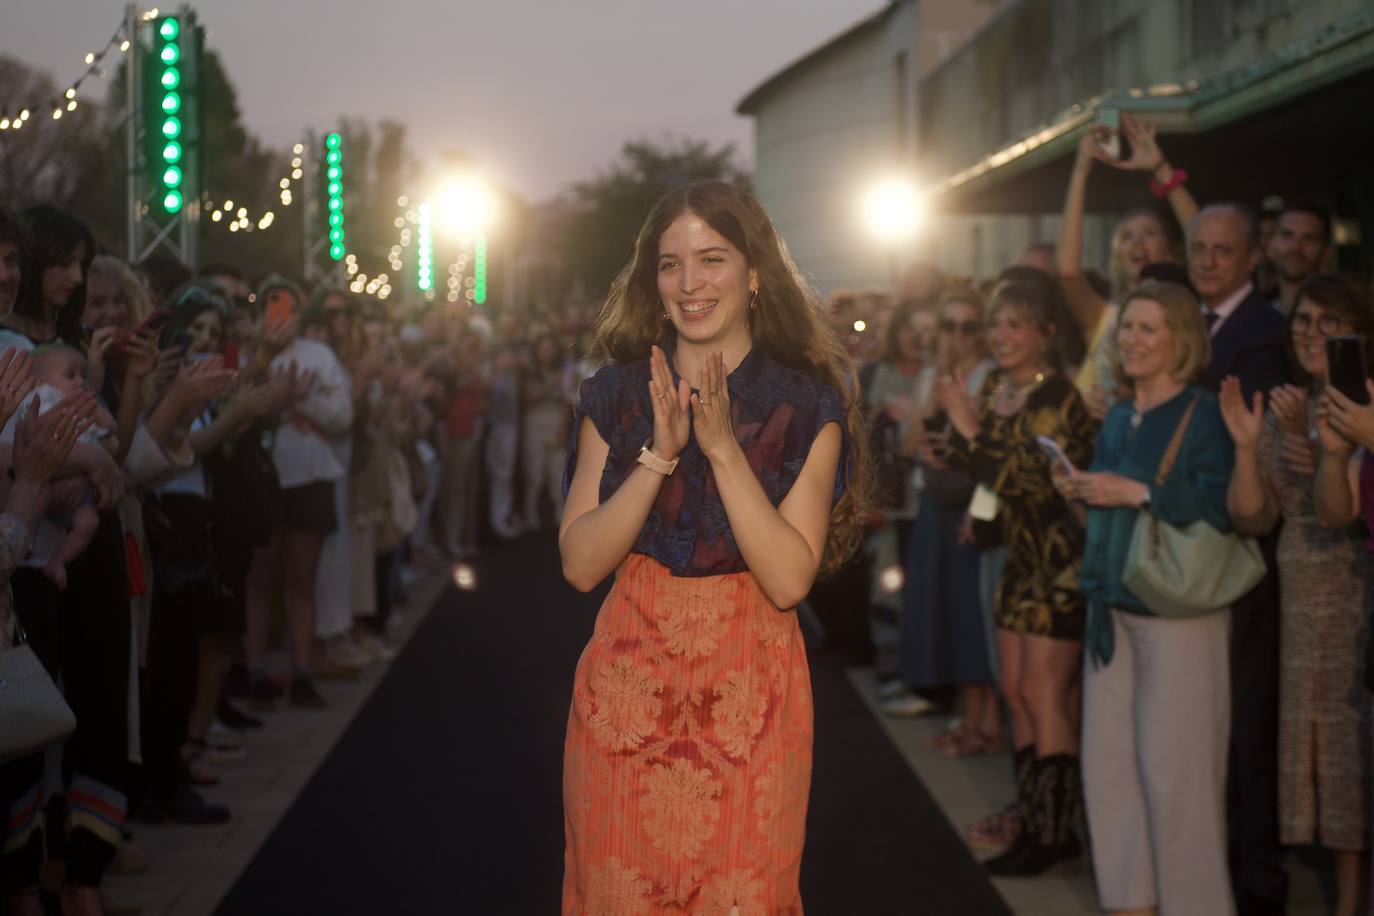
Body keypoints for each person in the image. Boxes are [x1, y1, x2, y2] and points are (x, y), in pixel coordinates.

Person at [558, 180, 867, 911]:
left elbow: (790, 580)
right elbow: (580, 564)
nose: (689, 284)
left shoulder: (806, 406)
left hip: (749, 705)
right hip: (623, 706)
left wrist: (724, 450)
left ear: (756, 272)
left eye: (712, 259)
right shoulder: (618, 396)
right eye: (670, 264)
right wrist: (658, 457)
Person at [1064, 280, 1236, 913]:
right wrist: (1083, 491)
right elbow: (1111, 512)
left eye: (1146, 329)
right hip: (1111, 611)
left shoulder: (1205, 412)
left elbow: (1227, 511)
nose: (1130, 340)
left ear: (1180, 339)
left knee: (1178, 784)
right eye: (1126, 327)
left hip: (1179, 615)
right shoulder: (1116, 415)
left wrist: (1133, 493)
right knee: (1109, 779)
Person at [937, 277, 1094, 876]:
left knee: (1047, 697)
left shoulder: (1058, 396)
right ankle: (1034, 824)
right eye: (995, 324)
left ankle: (1056, 834)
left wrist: (971, 427)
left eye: (1014, 325)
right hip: (1017, 561)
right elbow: (975, 465)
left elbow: (1025, 475)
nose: (1000, 336)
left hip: (1059, 564)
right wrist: (959, 423)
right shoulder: (1006, 388)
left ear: (1046, 333)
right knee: (1020, 695)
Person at [1230, 273, 1372, 916]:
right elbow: (1253, 519)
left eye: (1329, 323)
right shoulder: (1288, 403)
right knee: (1309, 745)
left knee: (1349, 745)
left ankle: (1348, 901)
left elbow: (1342, 510)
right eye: (1304, 322)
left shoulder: (1361, 406)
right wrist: (1246, 446)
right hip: (1296, 591)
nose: (1313, 334)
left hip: (1352, 591)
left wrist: (1313, 447)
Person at [1188, 201, 1290, 914]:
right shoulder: (1195, 322)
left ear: (1252, 259)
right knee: (1213, 722)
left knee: (1248, 723)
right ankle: (1217, 865)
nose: (1207, 261)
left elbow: (1232, 437)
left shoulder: (1264, 332)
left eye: (1223, 251)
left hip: (1250, 549)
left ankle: (1258, 882)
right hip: (1204, 552)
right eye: (1198, 248)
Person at [884, 291, 999, 751]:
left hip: (974, 503)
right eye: (948, 326)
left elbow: (989, 449)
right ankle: (966, 719)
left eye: (968, 326)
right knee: (942, 612)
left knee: (974, 615)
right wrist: (932, 399)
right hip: (935, 501)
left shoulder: (993, 378)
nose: (957, 336)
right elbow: (910, 444)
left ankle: (985, 724)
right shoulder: (933, 375)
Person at [242, 277, 352, 710]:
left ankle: (302, 671)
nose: (282, 312)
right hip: (263, 479)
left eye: (290, 304)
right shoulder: (252, 353)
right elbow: (233, 409)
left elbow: (343, 417)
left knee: (302, 579)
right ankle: (254, 671)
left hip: (310, 478)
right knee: (260, 579)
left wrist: (303, 403)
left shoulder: (319, 355)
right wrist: (276, 399)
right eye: (273, 304)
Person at [1058, 114, 1196, 418]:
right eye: (1127, 237)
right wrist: (1081, 171)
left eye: (1149, 234)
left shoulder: (1190, 315)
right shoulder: (1104, 317)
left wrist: (1161, 169)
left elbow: (1204, 240)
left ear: (1172, 253)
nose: (1137, 243)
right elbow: (1069, 271)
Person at [520, 332, 569, 531]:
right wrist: (553, 383)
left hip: (555, 423)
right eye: (543, 349)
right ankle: (530, 515)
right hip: (534, 425)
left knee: (556, 473)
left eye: (550, 349)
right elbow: (531, 397)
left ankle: (561, 515)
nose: (546, 353)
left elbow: (567, 403)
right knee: (535, 473)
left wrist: (562, 429)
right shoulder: (529, 373)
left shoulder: (563, 373)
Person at [1268, 202, 1332, 315]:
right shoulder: (1256, 316)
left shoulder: (1339, 317)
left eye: (1309, 238)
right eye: (1287, 235)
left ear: (1326, 253)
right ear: (1271, 246)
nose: (1296, 247)